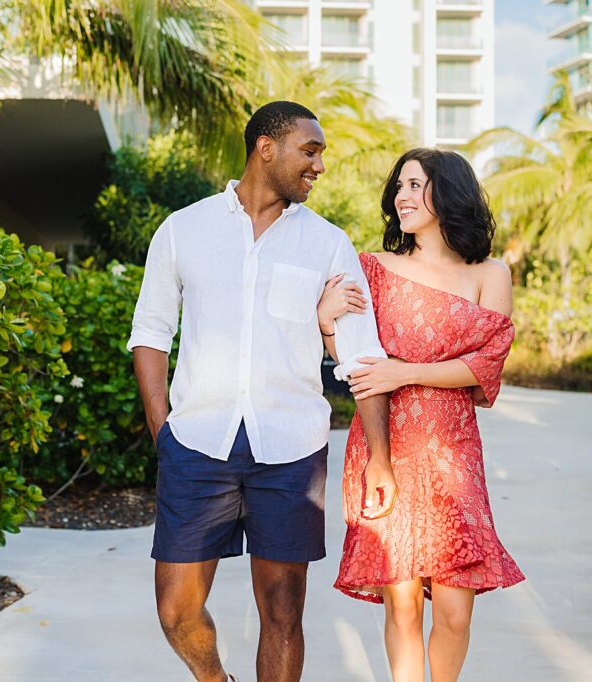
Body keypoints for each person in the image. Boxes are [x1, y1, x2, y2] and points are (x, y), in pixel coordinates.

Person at [127, 101, 398, 682]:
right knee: (176, 610)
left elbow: (360, 352)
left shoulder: (327, 243)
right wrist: (163, 430)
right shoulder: (183, 229)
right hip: (197, 443)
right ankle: (214, 679)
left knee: (282, 612)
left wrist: (380, 456)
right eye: (311, 150)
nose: (319, 166)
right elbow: (150, 332)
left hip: (291, 452)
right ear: (265, 148)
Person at [318, 148, 525, 682]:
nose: (401, 197)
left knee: (455, 611)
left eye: (415, 185)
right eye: (399, 187)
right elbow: (356, 358)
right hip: (385, 445)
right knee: (404, 602)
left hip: (453, 454)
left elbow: (485, 364)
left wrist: (404, 371)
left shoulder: (490, 273)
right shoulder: (373, 270)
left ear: (449, 193)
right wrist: (324, 325)